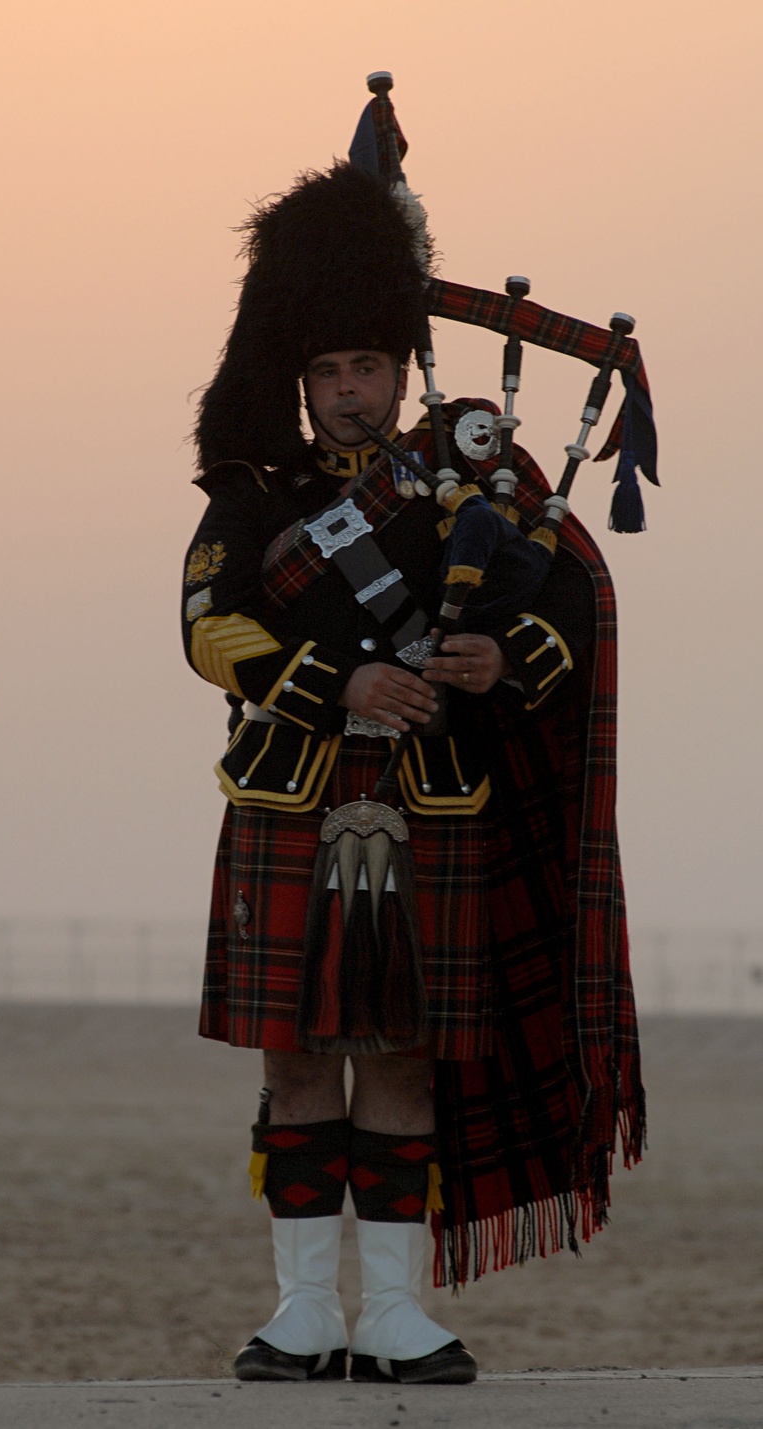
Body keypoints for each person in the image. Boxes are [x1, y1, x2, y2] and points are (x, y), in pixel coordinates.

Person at [182, 159, 644, 1386]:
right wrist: (337, 682)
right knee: (294, 1057)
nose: (348, 393)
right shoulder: (253, 495)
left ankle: (389, 1313)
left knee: (396, 1051)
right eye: (327, 373)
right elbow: (205, 631)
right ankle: (299, 1312)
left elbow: (568, 621)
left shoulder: (474, 493)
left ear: (400, 373)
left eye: (368, 370)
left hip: (432, 797)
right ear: (303, 380)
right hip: (292, 793)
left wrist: (500, 660)